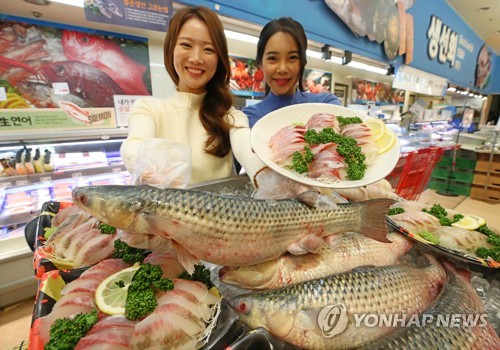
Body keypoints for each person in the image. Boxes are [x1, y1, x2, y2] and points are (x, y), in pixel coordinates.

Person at [120, 6, 261, 186]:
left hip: (221, 214)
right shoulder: (148, 109)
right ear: (171, 49)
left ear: (219, 59)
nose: (196, 58)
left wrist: (263, 172)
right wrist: (147, 169)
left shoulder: (230, 116)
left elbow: (247, 150)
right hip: (163, 214)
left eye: (208, 49)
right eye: (186, 45)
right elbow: (134, 146)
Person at [243, 17, 341, 128]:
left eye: (292, 57)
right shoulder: (250, 118)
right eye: (273, 58)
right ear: (261, 64)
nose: (283, 68)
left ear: (302, 62)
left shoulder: (327, 105)